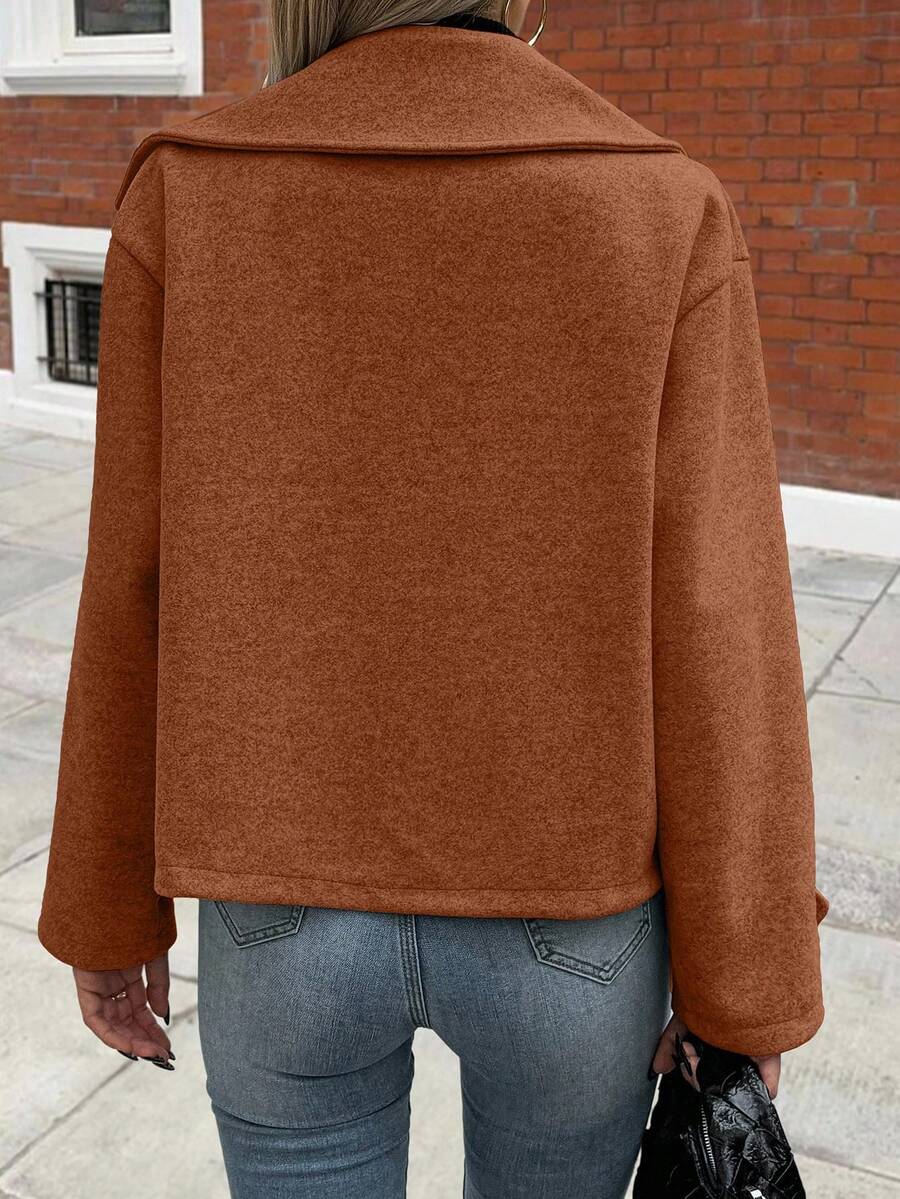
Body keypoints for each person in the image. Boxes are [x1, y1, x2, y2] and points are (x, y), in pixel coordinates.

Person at [37, 2, 829, 1196]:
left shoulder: (189, 193)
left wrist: (107, 909)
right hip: (569, 926)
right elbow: (721, 618)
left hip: (280, 909)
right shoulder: (659, 204)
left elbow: (131, 579)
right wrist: (748, 979)